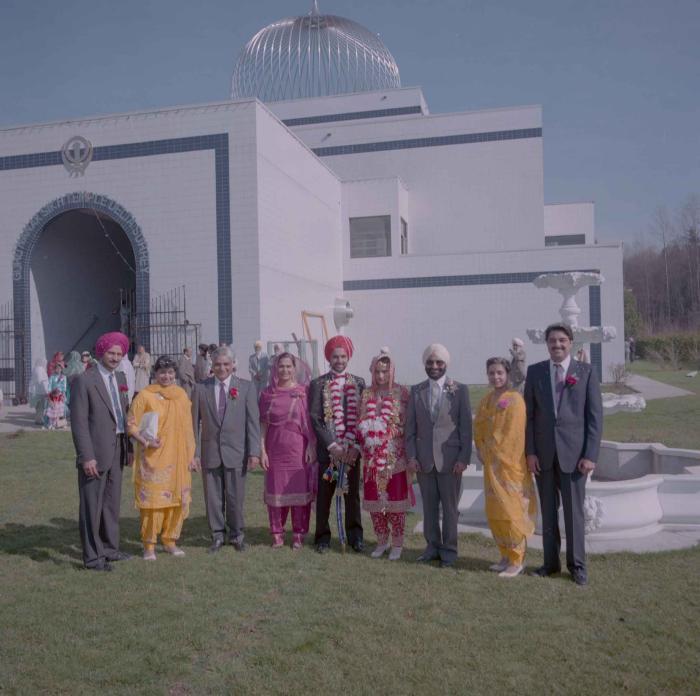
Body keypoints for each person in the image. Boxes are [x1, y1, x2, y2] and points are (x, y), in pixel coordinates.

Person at [524, 323, 603, 586]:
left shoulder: (586, 372)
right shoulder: (534, 372)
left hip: (575, 457)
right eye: (552, 341)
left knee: (573, 514)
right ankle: (550, 563)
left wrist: (590, 454)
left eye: (562, 341)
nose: (556, 345)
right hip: (544, 456)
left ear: (571, 342)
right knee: (547, 513)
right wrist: (531, 453)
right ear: (546, 344)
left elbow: (594, 418)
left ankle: (577, 565)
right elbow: (530, 417)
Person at [70, 331, 133, 571]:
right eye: (111, 353)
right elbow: (79, 422)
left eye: (119, 354)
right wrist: (86, 456)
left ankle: (109, 549)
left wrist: (130, 444)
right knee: (91, 506)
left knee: (111, 503)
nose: (115, 357)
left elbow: (122, 413)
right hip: (94, 454)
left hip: (117, 449)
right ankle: (93, 557)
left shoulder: (119, 378)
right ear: (101, 352)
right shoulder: (84, 380)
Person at [405, 343, 472, 568]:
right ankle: (432, 547)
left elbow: (465, 428)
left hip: (451, 461)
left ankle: (450, 551)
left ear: (446, 364)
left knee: (450, 509)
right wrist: (411, 457)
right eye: (430, 362)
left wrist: (463, 458)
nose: (434, 366)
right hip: (424, 460)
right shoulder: (416, 391)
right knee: (429, 507)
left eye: (439, 362)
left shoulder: (460, 390)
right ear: (425, 364)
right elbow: (410, 429)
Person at [127, 355, 199, 560]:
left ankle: (170, 540)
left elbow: (188, 428)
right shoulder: (145, 396)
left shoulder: (181, 395)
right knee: (153, 503)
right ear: (154, 374)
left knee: (176, 501)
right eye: (162, 372)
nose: (166, 376)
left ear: (175, 375)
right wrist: (146, 441)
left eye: (169, 373)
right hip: (154, 459)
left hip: (178, 458)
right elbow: (131, 425)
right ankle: (148, 545)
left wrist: (191, 455)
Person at [192, 346, 261, 553]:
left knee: (235, 497)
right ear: (211, 366)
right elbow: (193, 424)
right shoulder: (200, 388)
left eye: (226, 364)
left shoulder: (246, 388)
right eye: (217, 364)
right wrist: (194, 453)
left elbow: (253, 423)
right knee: (213, 498)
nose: (222, 368)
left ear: (233, 365)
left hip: (237, 452)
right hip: (210, 451)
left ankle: (237, 534)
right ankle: (217, 535)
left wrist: (254, 452)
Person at [473, 357, 536, 578]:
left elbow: (514, 434)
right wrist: (481, 449)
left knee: (511, 511)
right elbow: (478, 426)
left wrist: (496, 452)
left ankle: (517, 559)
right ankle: (504, 554)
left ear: (507, 374)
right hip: (491, 465)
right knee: (495, 511)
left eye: (500, 372)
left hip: (509, 466)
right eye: (491, 373)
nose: (495, 377)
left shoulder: (515, 400)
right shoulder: (486, 400)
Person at [309, 335, 366, 553]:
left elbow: (363, 417)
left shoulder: (359, 383)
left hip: (351, 453)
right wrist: (332, 446)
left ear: (348, 357)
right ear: (329, 358)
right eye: (335, 356)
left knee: (352, 496)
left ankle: (355, 537)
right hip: (329, 453)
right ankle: (322, 538)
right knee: (325, 495)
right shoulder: (318, 383)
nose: (339, 360)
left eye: (343, 356)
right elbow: (315, 418)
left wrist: (355, 447)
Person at [356, 352, 412, 561]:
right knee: (375, 503)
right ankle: (381, 541)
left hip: (394, 458)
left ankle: (397, 543)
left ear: (392, 371)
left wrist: (388, 433)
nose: (380, 376)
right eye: (377, 371)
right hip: (371, 458)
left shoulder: (402, 393)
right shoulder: (366, 394)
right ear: (372, 371)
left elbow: (407, 425)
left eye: (385, 371)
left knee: (395, 503)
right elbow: (358, 421)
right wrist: (366, 432)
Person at [259, 353, 316, 549]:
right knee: (276, 490)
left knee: (298, 490)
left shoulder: (302, 392)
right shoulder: (267, 394)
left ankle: (299, 534)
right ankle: (277, 534)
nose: (284, 370)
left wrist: (311, 445)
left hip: (298, 449)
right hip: (274, 449)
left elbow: (309, 422)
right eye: (281, 366)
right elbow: (263, 425)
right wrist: (262, 451)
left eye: (288, 366)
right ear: (275, 369)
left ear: (295, 368)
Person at [28, 358, 49, 425]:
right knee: (40, 407)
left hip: (36, 391)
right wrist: (46, 389)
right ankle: (39, 420)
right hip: (40, 391)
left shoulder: (35, 368)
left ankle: (38, 419)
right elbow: (40, 380)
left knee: (38, 407)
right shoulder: (39, 369)